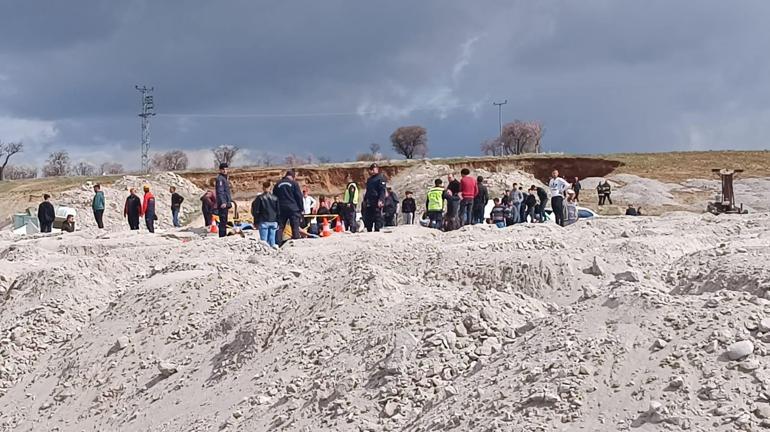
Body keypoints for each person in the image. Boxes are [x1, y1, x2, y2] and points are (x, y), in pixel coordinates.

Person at [273, 169, 304, 242]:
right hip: (293, 209)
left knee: (280, 227)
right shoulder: (294, 183)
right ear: (293, 177)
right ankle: (295, 242)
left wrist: (275, 209)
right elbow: (299, 197)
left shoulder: (278, 184)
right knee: (295, 227)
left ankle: (278, 243)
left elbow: (274, 197)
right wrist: (301, 208)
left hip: (281, 209)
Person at [251, 181, 280, 248]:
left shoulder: (260, 198)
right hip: (273, 221)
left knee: (264, 242)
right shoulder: (275, 198)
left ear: (263, 188)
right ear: (270, 187)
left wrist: (256, 222)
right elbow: (278, 211)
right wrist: (278, 221)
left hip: (263, 221)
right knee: (272, 241)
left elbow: (256, 211)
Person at [363, 163, 386, 232]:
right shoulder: (369, 180)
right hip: (369, 200)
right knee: (368, 216)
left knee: (377, 216)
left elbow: (382, 190)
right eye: (371, 169)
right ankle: (369, 229)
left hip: (376, 200)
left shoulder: (380, 178)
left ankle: (377, 229)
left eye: (374, 169)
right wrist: (365, 200)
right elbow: (368, 190)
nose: (373, 171)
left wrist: (381, 200)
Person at [216, 163, 232, 238]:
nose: (225, 171)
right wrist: (223, 202)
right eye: (223, 169)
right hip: (223, 203)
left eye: (226, 169)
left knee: (225, 220)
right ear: (220, 170)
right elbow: (220, 191)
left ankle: (223, 235)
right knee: (223, 220)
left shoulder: (224, 178)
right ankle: (222, 236)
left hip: (226, 202)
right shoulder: (220, 179)